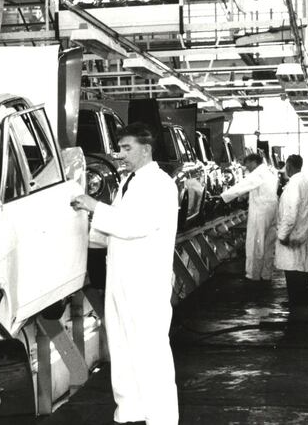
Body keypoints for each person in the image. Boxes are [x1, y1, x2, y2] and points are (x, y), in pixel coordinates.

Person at [71, 122, 179, 425]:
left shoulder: (159, 183)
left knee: (150, 354)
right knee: (121, 349)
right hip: (122, 279)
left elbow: (135, 225)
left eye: (126, 148)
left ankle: (162, 419)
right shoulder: (129, 181)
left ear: (146, 149)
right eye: (119, 148)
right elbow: (111, 231)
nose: (120, 155)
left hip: (145, 284)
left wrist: (94, 206)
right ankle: (130, 412)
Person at [219, 153, 278, 281]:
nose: (247, 168)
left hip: (260, 212)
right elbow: (256, 189)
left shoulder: (258, 173)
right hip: (272, 211)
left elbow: (242, 186)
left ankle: (253, 275)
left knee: (255, 243)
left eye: (247, 165)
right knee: (268, 245)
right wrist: (243, 197)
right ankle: (266, 274)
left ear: (254, 162)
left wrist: (223, 197)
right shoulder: (269, 172)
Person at [275, 155, 308, 307]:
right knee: (300, 268)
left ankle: (296, 303)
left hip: (293, 232)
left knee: (292, 270)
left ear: (289, 166)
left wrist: (283, 235)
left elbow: (290, 213)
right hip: (302, 229)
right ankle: (302, 300)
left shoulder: (294, 184)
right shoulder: (305, 181)